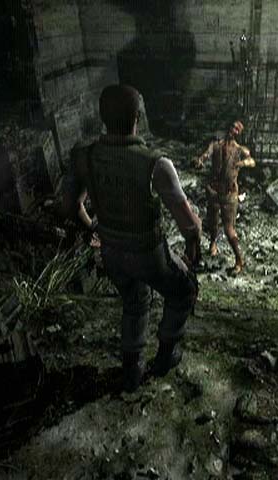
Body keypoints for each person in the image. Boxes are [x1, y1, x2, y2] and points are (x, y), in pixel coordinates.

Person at [62, 84, 202, 393]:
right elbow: (189, 225)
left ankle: (132, 369)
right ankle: (165, 356)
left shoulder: (85, 156)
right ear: (137, 117)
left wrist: (93, 229)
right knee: (184, 290)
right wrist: (194, 247)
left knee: (135, 302)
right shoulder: (155, 163)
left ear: (102, 118)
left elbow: (71, 205)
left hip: (111, 251)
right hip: (148, 253)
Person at [194, 120, 256, 275]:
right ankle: (213, 243)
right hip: (214, 191)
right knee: (213, 220)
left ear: (239, 133)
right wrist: (199, 161)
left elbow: (252, 161)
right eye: (232, 126)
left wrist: (243, 163)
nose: (233, 130)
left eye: (237, 129)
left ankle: (239, 260)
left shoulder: (240, 150)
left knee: (229, 229)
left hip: (229, 194)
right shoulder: (216, 145)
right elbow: (205, 155)